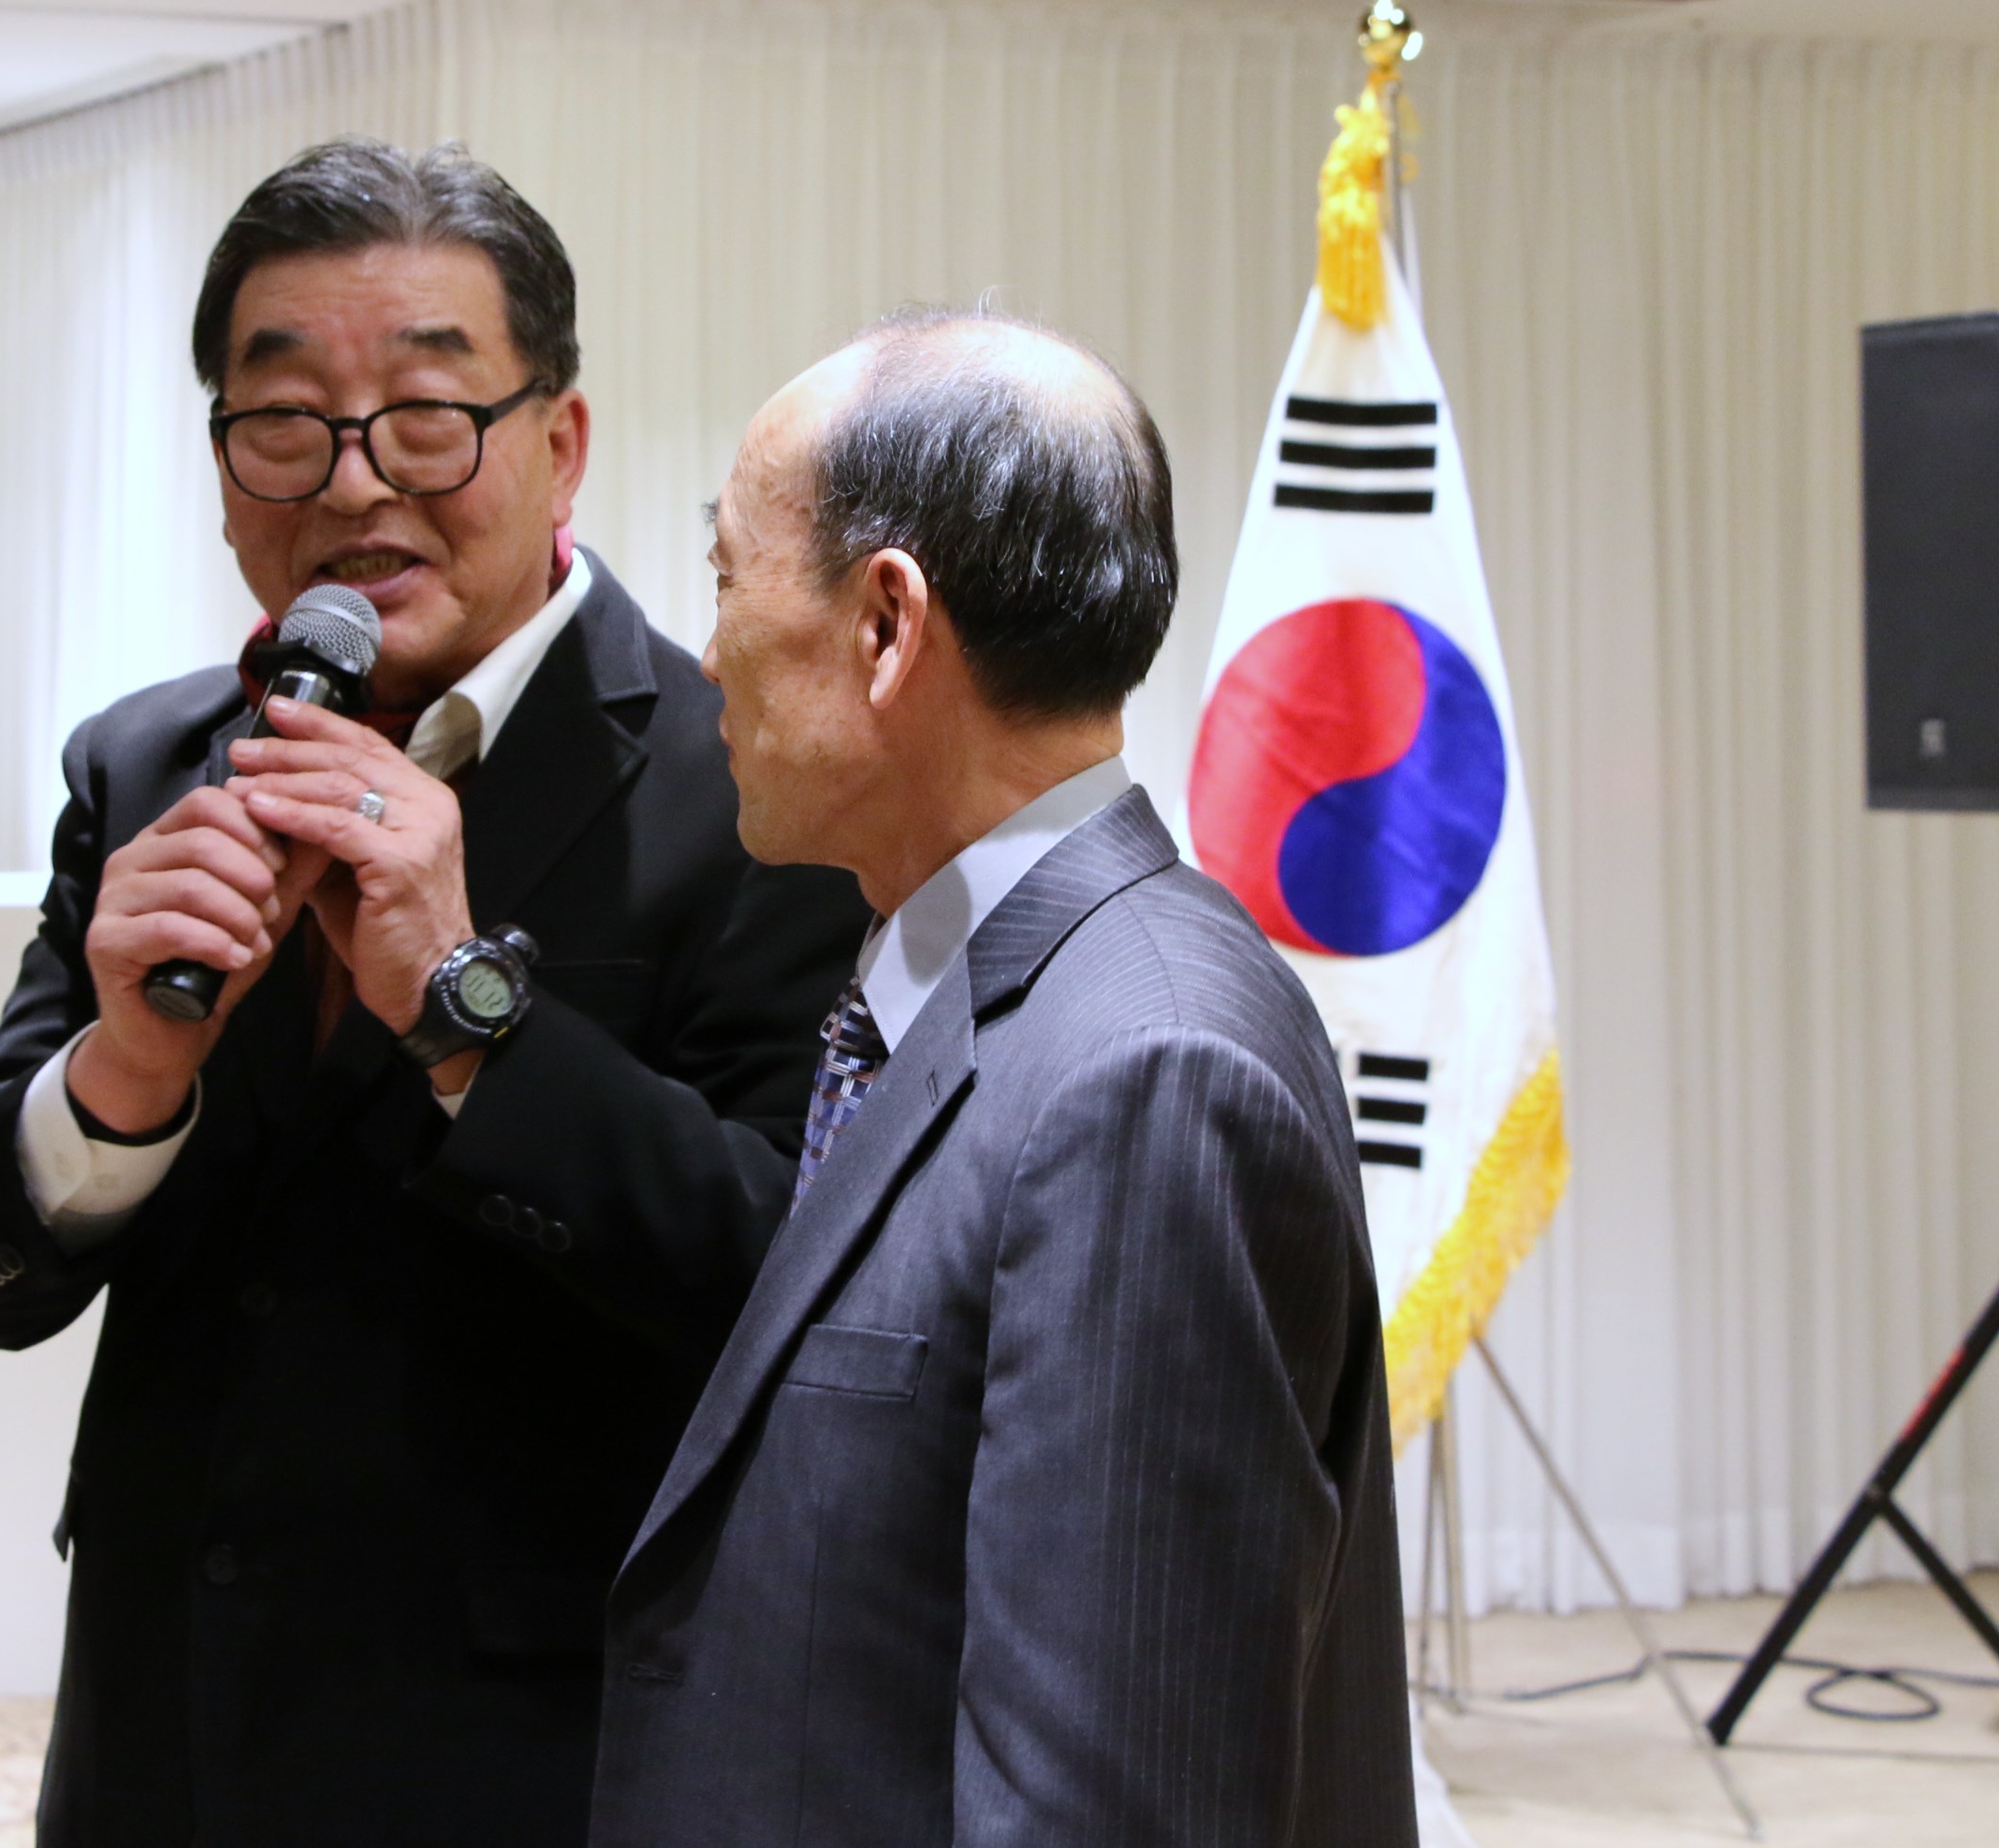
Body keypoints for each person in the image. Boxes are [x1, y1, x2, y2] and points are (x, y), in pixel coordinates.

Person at [0, 139, 871, 1848]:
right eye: (284, 421)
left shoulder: (755, 787)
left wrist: (468, 1016)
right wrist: (124, 1076)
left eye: (427, 416)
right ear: (222, 464)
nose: (354, 486)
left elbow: (787, 1284)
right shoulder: (147, 766)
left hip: (537, 1754)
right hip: (160, 1734)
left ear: (560, 442)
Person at [592, 312, 1416, 1848]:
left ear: (884, 623)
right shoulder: (972, 991)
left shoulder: (1145, 1069)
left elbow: (1108, 1799)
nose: (706, 656)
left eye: (725, 577)